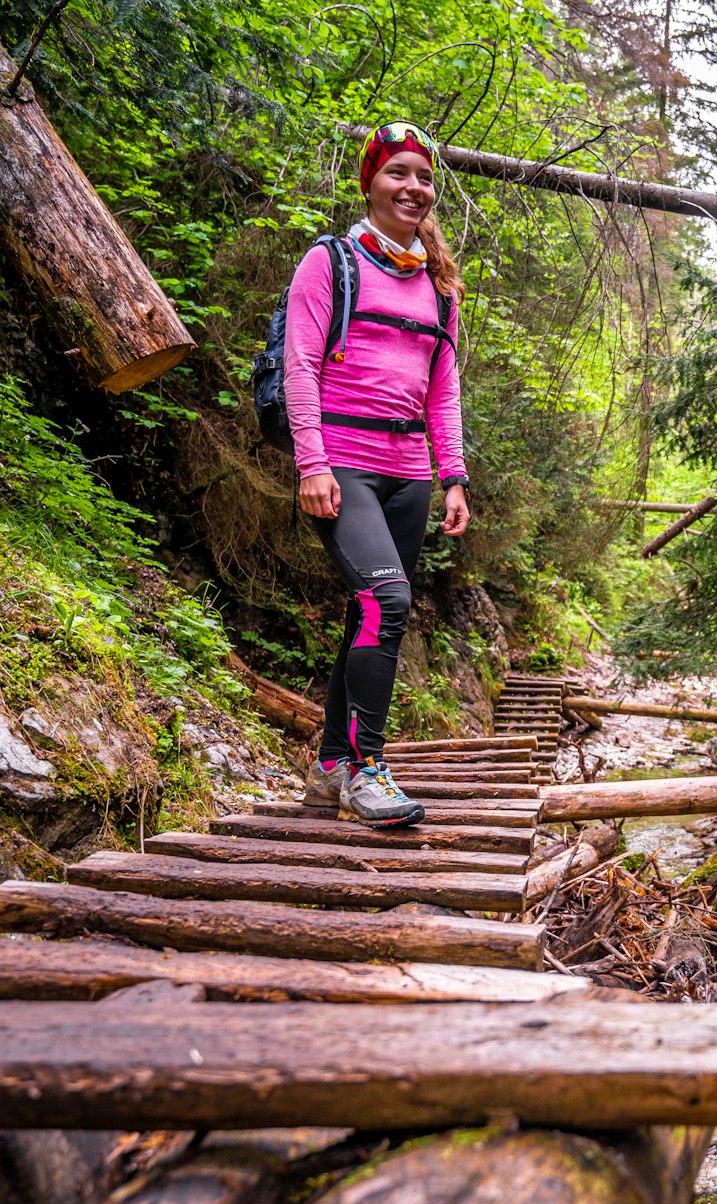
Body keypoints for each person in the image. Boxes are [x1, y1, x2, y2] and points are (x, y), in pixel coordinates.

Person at [288, 121, 470, 827]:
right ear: (369, 181)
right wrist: (311, 461)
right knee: (388, 604)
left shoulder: (440, 287)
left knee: (367, 610)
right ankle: (368, 771)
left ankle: (331, 763)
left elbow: (443, 388)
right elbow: (301, 364)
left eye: (424, 178)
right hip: (343, 466)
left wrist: (452, 476)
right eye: (398, 173)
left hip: (409, 475)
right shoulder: (328, 262)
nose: (413, 188)